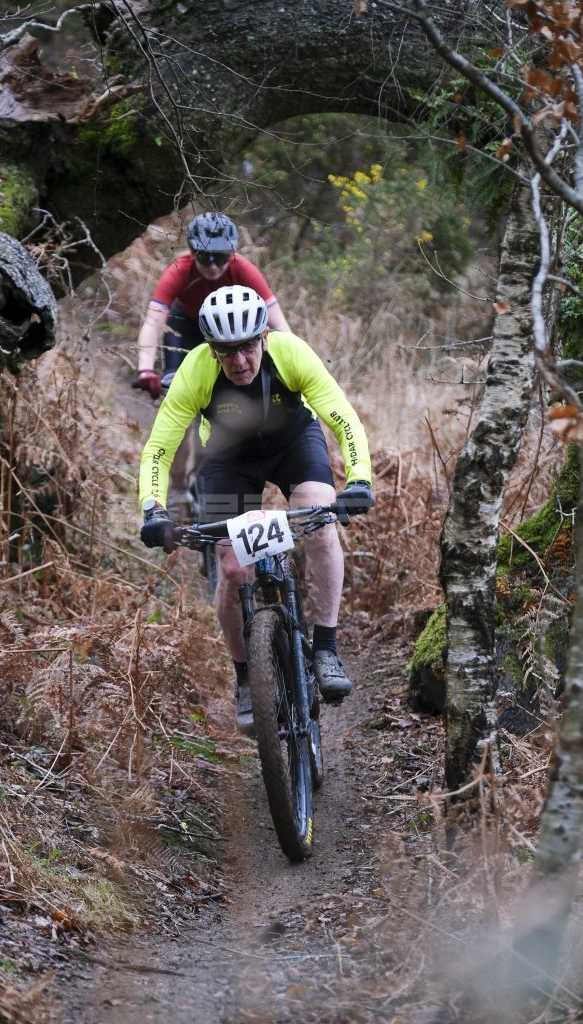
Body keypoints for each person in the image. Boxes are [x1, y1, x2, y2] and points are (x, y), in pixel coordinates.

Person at [138, 285, 374, 734]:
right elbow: (158, 450)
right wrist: (153, 508)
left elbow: (342, 417)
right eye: (227, 351)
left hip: (293, 446)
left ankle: (326, 648)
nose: (240, 361)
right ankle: (247, 675)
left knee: (322, 525)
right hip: (229, 459)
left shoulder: (291, 354)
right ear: (211, 349)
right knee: (232, 569)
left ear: (264, 337)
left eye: (247, 347)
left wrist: (359, 479)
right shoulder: (195, 371)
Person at [135, 213, 292, 506]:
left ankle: (209, 475)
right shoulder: (179, 269)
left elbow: (279, 324)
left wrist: (292, 362)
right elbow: (154, 321)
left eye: (220, 257)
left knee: (224, 412)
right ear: (191, 252)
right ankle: (179, 487)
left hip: (231, 338)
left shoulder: (243, 269)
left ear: (232, 253)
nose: (212, 265)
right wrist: (145, 368)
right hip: (185, 329)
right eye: (203, 256)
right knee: (180, 410)